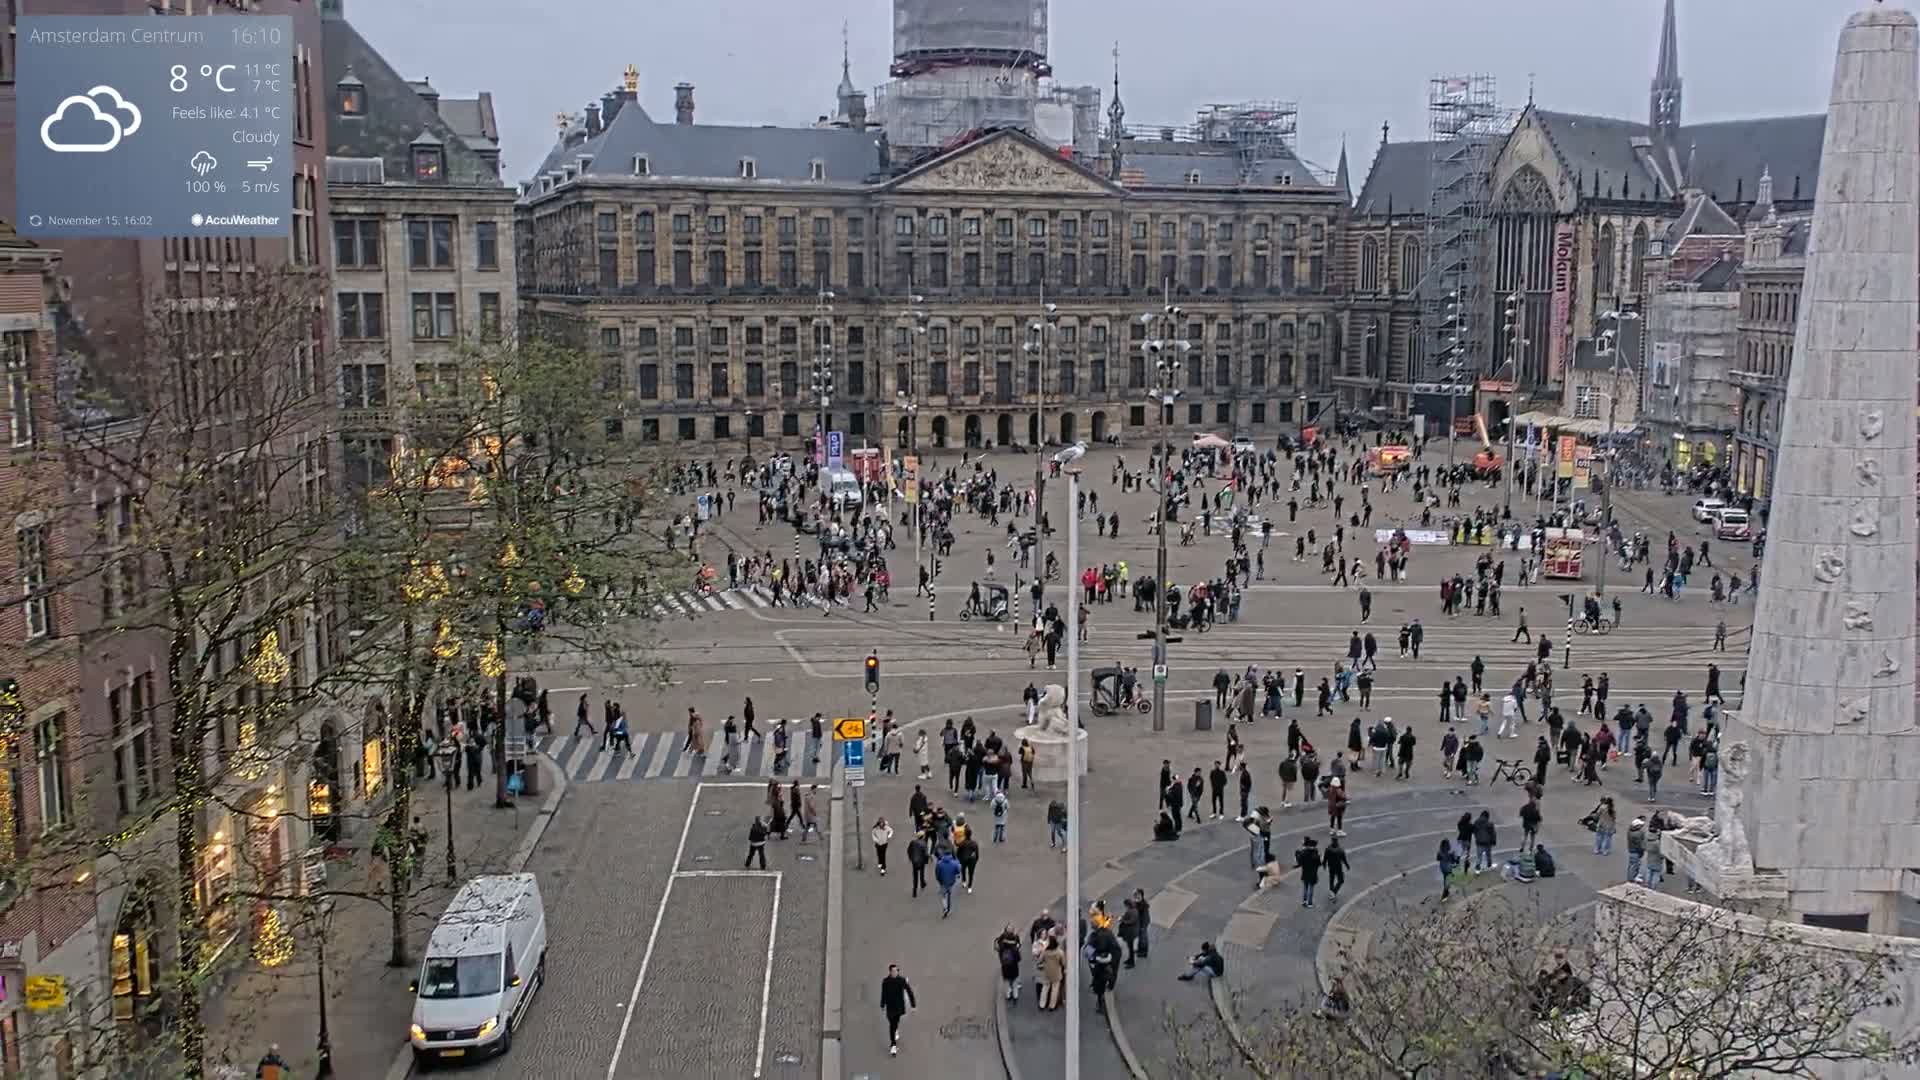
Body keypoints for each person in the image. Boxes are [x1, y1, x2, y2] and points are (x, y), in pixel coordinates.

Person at [880, 964, 917, 1056]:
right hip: (890, 1007)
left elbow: (909, 991)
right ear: (890, 972)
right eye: (893, 971)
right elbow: (883, 993)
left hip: (899, 1007)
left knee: (894, 1023)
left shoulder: (901, 980)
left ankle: (893, 1041)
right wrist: (882, 1004)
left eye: (897, 971)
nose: (895, 972)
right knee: (892, 1023)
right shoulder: (886, 981)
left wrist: (913, 1005)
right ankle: (893, 1045)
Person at [995, 925, 1024, 1005]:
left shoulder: (1002, 946)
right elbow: (1019, 959)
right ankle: (1015, 996)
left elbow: (999, 952)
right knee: (1015, 982)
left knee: (1006, 981)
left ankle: (1008, 995)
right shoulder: (1014, 948)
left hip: (1005, 967)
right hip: (1014, 967)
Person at [1295, 836, 1322, 908]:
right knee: (1311, 888)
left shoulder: (1303, 853)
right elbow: (1319, 864)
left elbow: (1300, 862)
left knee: (1305, 888)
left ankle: (1304, 901)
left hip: (1305, 873)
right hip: (1313, 874)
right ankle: (1310, 903)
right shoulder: (1316, 855)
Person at [934, 849, 961, 916]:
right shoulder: (954, 863)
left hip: (942, 882)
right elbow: (958, 871)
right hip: (951, 882)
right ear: (950, 855)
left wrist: (939, 880)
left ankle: (945, 907)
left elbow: (937, 873)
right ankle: (949, 908)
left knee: (943, 896)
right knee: (949, 894)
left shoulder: (939, 863)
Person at [1323, 835, 1350, 902]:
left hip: (1331, 867)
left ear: (1332, 841)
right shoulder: (1340, 850)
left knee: (1331, 879)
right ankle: (1334, 892)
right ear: (1337, 841)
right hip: (1338, 867)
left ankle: (1331, 892)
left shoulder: (1328, 849)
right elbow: (1344, 859)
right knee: (1341, 880)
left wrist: (1324, 865)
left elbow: (1325, 858)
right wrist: (1347, 866)